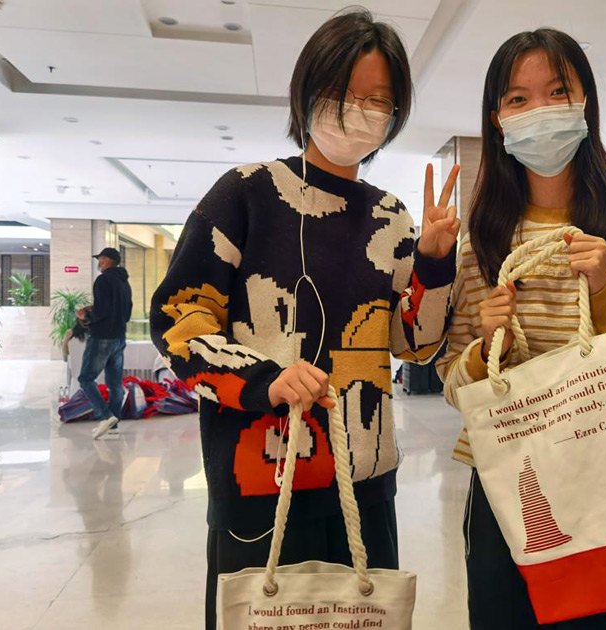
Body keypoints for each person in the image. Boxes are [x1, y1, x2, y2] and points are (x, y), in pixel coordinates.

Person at [149, 9, 459, 629]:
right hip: (261, 472)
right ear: (308, 92)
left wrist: (432, 261)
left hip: (364, 474)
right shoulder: (245, 194)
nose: (360, 111)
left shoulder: (390, 217)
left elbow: (414, 344)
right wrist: (265, 379)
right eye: (345, 93)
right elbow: (180, 325)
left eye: (379, 100)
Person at [435, 28, 606, 630]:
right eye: (518, 99)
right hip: (512, 489)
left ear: (584, 101)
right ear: (497, 118)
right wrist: (487, 349)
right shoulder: (481, 243)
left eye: (557, 91)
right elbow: (456, 388)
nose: (539, 110)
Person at [79, 247, 133, 440]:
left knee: (85, 378)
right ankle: (113, 425)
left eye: (101, 259)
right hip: (119, 337)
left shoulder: (103, 280)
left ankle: (106, 416)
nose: (99, 262)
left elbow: (102, 311)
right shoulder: (124, 283)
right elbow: (125, 313)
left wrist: (86, 314)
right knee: (115, 383)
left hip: (102, 337)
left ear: (108, 260)